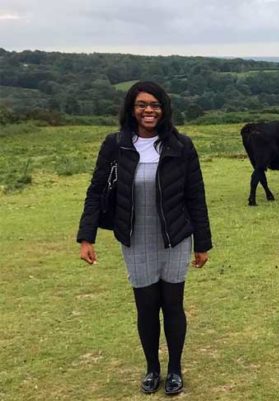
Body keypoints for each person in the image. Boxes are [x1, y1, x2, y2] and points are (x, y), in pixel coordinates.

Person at [77, 81, 212, 395]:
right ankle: (152, 368)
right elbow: (96, 191)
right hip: (135, 238)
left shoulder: (181, 145)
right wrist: (87, 237)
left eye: (155, 104)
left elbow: (196, 196)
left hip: (175, 237)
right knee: (146, 307)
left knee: (173, 306)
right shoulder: (116, 144)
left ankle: (175, 369)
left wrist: (202, 243)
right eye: (142, 105)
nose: (149, 110)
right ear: (131, 108)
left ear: (164, 109)